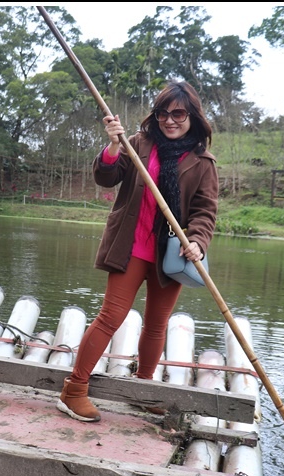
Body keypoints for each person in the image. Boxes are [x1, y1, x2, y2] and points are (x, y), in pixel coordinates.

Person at [56, 80, 219, 422]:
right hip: (131, 247)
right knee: (111, 317)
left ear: (193, 116)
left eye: (178, 113)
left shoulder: (203, 162)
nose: (170, 120)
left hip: (171, 256)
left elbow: (205, 211)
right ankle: (73, 390)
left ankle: (144, 390)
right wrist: (113, 147)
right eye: (163, 113)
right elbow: (106, 177)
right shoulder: (139, 145)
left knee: (157, 325)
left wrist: (198, 241)